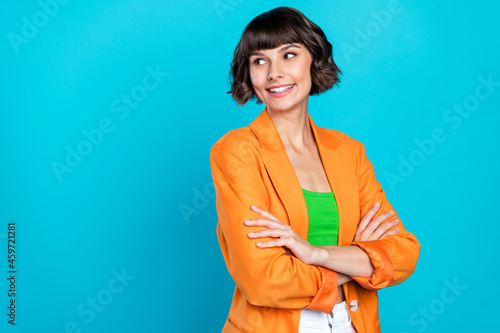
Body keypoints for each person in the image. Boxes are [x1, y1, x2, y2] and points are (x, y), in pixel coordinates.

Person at [210, 7, 420, 333]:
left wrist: (315, 253)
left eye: (288, 55)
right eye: (259, 61)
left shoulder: (349, 151)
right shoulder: (237, 152)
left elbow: (404, 254)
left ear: (314, 59)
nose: (274, 73)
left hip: (352, 323)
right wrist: (357, 258)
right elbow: (265, 281)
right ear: (249, 73)